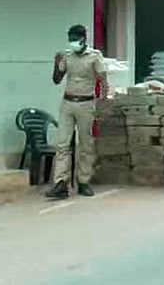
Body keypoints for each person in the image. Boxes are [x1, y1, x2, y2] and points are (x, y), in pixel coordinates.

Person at [45, 24, 106, 200]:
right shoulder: (67, 55)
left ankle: (83, 181)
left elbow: (103, 80)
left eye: (75, 39)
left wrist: (102, 103)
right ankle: (61, 183)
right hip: (68, 102)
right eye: (70, 39)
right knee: (62, 144)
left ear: (84, 38)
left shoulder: (94, 56)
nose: (73, 42)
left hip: (86, 103)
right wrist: (56, 64)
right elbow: (57, 80)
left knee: (85, 144)